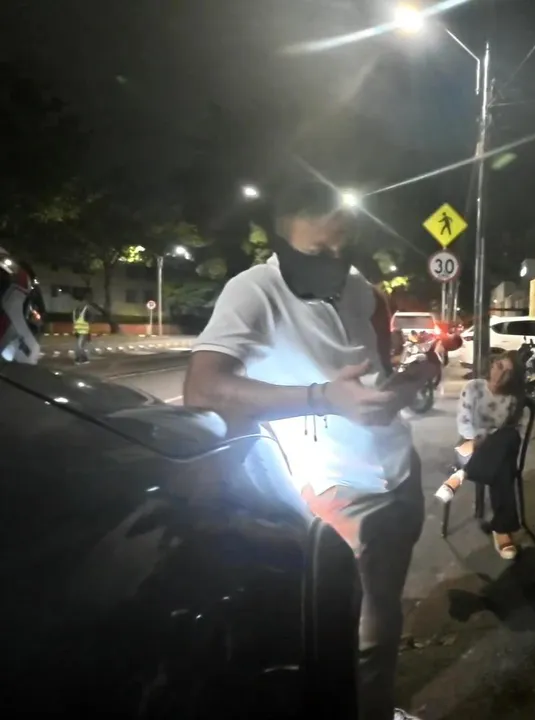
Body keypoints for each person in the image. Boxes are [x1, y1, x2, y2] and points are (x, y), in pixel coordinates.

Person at [182, 181, 437, 720]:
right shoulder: (254, 291)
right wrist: (323, 397)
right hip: (333, 491)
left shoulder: (361, 289)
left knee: (382, 615)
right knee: (336, 637)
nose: (334, 262)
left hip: (398, 472)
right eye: (319, 250)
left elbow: (376, 373)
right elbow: (202, 390)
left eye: (343, 249)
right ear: (283, 237)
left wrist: (409, 381)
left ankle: (376, 709)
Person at [435, 350, 524, 560]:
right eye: (499, 367)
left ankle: (460, 476)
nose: (501, 374)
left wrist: (486, 440)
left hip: (489, 453)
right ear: (492, 365)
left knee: (510, 437)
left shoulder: (512, 399)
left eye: (508, 373)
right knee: (504, 466)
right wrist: (480, 441)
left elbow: (510, 431)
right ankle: (502, 530)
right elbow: (464, 426)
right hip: (468, 447)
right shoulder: (473, 388)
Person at [72, 298, 93, 364]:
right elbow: (75, 322)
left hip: (84, 332)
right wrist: (74, 330)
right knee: (80, 346)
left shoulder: (87, 310)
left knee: (79, 346)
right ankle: (84, 359)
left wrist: (89, 332)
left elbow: (90, 320)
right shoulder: (75, 311)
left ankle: (80, 359)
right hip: (78, 332)